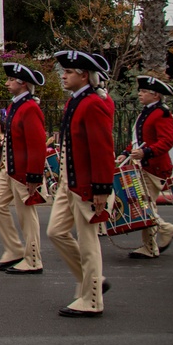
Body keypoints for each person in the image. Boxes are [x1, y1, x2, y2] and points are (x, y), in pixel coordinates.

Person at [46, 49, 114, 318]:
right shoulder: (75, 101)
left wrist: (101, 188)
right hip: (69, 182)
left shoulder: (92, 103)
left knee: (88, 243)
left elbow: (102, 149)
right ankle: (92, 280)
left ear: (84, 75)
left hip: (86, 184)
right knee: (55, 232)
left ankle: (93, 298)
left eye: (69, 72)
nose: (63, 76)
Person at [0, 63, 47, 275]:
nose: (7, 83)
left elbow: (37, 142)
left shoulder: (30, 107)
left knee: (26, 214)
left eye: (11, 80)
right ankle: (14, 249)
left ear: (22, 83)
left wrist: (34, 174)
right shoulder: (16, 105)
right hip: (9, 167)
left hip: (22, 170)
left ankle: (33, 259)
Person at [121, 75, 173, 260]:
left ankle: (166, 230)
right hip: (145, 164)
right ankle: (150, 246)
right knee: (145, 203)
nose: (140, 94)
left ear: (155, 95)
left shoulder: (162, 113)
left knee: (144, 205)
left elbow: (166, 141)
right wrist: (126, 152)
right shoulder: (147, 112)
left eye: (144, 91)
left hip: (154, 167)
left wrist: (146, 152)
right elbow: (139, 139)